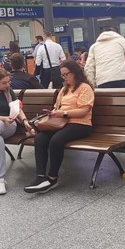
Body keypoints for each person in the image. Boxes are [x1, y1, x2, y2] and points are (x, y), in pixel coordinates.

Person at [24, 60, 94, 194]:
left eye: (66, 74)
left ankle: (52, 178)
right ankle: (40, 176)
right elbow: (57, 107)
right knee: (40, 139)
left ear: (75, 73)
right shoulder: (64, 89)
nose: (64, 78)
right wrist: (54, 113)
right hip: (62, 123)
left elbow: (84, 111)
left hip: (80, 124)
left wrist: (63, 113)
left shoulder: (85, 88)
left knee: (56, 141)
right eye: (62, 75)